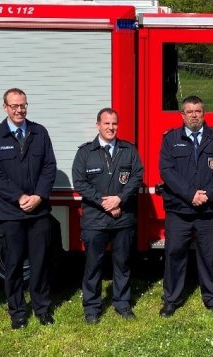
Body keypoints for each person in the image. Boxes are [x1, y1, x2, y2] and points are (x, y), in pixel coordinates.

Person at [0, 88, 57, 329]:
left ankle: (42, 308)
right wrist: (19, 196)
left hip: (38, 211)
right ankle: (17, 312)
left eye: (23, 105)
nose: (19, 110)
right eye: (14, 106)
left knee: (40, 263)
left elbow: (49, 166)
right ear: (5, 107)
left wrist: (38, 196)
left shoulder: (39, 132)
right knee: (13, 265)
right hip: (10, 212)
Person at [158, 95, 213, 318]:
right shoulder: (171, 139)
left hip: (207, 211)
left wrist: (207, 194)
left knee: (209, 256)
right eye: (189, 111)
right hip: (179, 210)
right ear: (182, 115)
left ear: (204, 113)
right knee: (174, 254)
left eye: (198, 111)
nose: (194, 115)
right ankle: (171, 300)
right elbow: (166, 171)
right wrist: (190, 194)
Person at [72, 108, 143, 324]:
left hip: (123, 218)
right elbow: (80, 183)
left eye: (114, 124)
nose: (111, 128)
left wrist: (119, 199)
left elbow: (137, 176)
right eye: (106, 124)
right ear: (98, 125)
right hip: (95, 219)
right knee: (93, 265)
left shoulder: (128, 150)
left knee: (122, 263)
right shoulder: (85, 152)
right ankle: (92, 308)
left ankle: (122, 304)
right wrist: (105, 202)